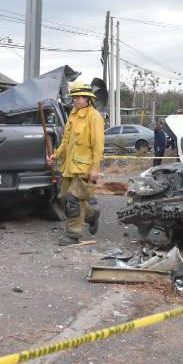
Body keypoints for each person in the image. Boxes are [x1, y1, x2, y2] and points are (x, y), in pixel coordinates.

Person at [47, 82, 105, 245]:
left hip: (85, 168)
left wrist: (95, 169)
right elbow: (66, 140)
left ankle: (73, 234)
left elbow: (98, 145)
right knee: (65, 199)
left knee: (73, 199)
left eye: (79, 97)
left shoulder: (94, 117)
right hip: (70, 166)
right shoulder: (73, 114)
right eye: (74, 97)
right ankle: (92, 215)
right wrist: (55, 155)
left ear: (88, 98)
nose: (76, 100)